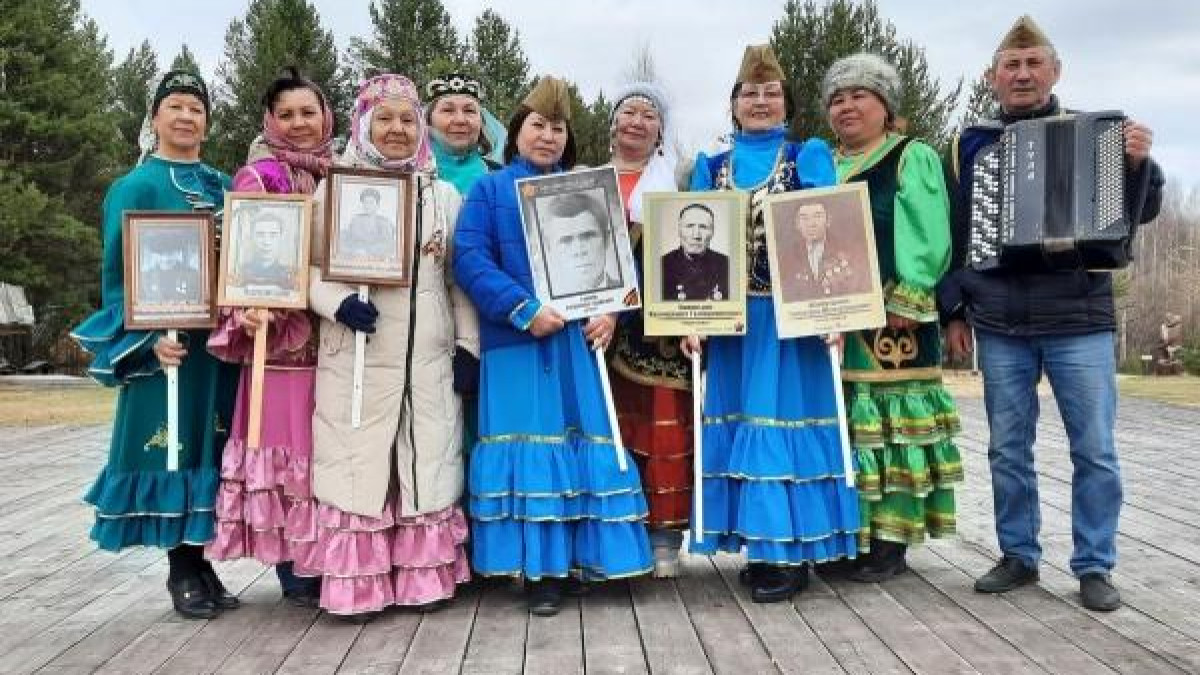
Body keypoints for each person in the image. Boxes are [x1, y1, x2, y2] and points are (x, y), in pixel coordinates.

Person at [938, 16, 1164, 611]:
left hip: (1078, 319)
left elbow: (1139, 213)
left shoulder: (1100, 134)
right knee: (1007, 449)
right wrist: (953, 309)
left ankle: (1095, 564)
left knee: (1094, 449)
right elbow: (954, 234)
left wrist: (1138, 165)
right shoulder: (970, 145)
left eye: (1033, 63)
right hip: (1000, 322)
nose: (1022, 74)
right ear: (992, 77)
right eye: (1011, 65)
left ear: (1055, 71)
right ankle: (1018, 554)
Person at [453, 76, 652, 616]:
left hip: (578, 344)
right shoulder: (490, 191)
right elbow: (469, 259)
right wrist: (522, 309)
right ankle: (541, 572)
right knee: (533, 449)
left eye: (558, 128)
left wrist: (612, 311)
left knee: (580, 445)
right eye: (538, 125)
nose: (548, 136)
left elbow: (619, 262)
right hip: (517, 343)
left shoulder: (586, 188)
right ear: (516, 132)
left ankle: (584, 559)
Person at [681, 46, 859, 604]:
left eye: (771, 92)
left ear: (786, 102)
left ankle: (787, 553)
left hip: (791, 325)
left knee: (779, 429)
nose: (760, 101)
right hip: (733, 324)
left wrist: (840, 313)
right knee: (743, 427)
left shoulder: (808, 156)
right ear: (734, 103)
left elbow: (836, 233)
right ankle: (760, 545)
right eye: (750, 93)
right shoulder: (711, 166)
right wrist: (689, 320)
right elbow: (690, 248)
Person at [301, 74, 479, 620]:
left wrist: (467, 344)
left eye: (406, 119)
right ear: (364, 124)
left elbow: (456, 278)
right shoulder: (336, 190)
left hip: (427, 355)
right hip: (359, 353)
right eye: (385, 119)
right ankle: (358, 584)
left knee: (425, 459)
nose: (397, 129)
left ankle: (423, 578)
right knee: (360, 461)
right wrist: (335, 302)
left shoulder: (442, 196)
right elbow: (306, 267)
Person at [70, 70, 240, 620]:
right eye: (176, 107)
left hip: (217, 348)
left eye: (197, 108)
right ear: (155, 118)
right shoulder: (134, 187)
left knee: (210, 448)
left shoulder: (224, 185)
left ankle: (202, 562)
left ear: (207, 122)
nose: (187, 116)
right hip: (168, 350)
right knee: (173, 449)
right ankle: (181, 570)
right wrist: (146, 343)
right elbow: (117, 278)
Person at [821, 52, 963, 582]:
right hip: (829, 317)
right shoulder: (821, 164)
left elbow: (928, 230)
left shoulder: (910, 157)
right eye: (837, 99)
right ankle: (845, 535)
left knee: (888, 428)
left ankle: (887, 540)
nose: (846, 107)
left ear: (885, 105)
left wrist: (912, 292)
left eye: (859, 95)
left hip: (890, 314)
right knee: (840, 425)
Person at [203, 67, 334, 609]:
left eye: (308, 112)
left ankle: (335, 556)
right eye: (287, 115)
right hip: (282, 347)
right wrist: (249, 308)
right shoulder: (258, 179)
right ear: (270, 121)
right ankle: (296, 566)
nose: (299, 123)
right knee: (290, 453)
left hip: (341, 341)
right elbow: (240, 259)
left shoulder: (346, 174)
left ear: (326, 116)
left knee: (331, 454)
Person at [605, 81, 693, 577]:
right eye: (629, 112)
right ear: (613, 122)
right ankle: (616, 532)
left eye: (649, 115)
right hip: (598, 327)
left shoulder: (676, 185)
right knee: (609, 428)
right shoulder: (583, 180)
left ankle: (664, 538)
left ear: (660, 130)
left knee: (663, 431)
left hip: (659, 330)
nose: (637, 121)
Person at [778, 201, 868, 302]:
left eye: (817, 216)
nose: (811, 224)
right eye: (804, 218)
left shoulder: (849, 251)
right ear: (797, 225)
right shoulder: (787, 258)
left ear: (828, 221)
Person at [540, 191, 618, 296]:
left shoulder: (627, 292)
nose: (579, 251)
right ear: (548, 247)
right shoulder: (542, 300)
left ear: (607, 239)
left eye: (588, 236)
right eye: (565, 240)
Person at [660, 203, 730, 301]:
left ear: (712, 232)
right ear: (679, 230)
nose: (696, 235)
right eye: (689, 226)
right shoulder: (661, 266)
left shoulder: (727, 265)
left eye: (703, 227)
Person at [340, 187, 397, 259]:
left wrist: (367, 251)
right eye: (365, 202)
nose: (367, 206)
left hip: (376, 258)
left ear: (377, 205)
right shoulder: (355, 220)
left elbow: (388, 244)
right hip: (355, 256)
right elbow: (347, 239)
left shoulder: (384, 223)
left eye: (371, 203)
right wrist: (354, 251)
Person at [240, 211, 291, 288]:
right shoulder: (240, 271)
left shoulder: (288, 274)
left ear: (281, 238)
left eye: (273, 235)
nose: (266, 242)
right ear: (252, 238)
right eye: (260, 235)